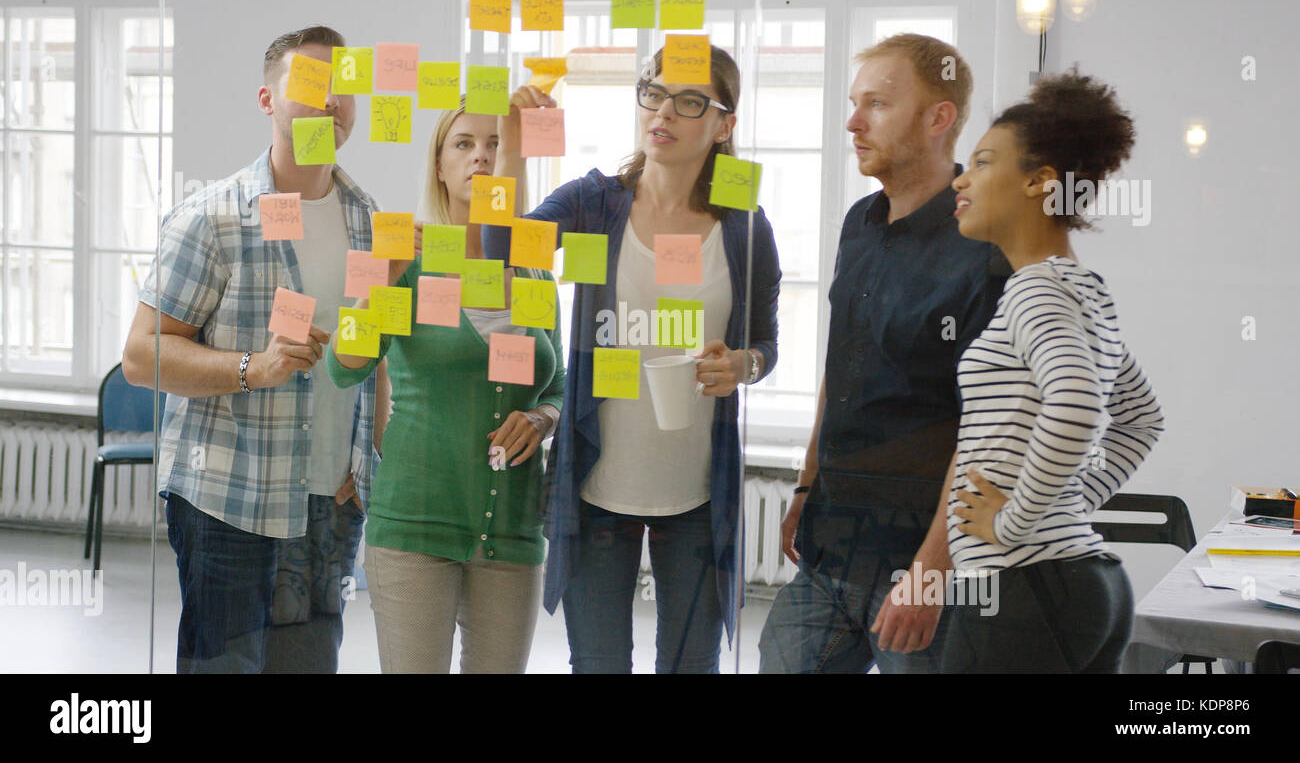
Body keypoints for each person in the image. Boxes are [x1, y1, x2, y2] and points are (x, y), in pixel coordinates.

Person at [482, 45, 780, 673]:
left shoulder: (744, 225)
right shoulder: (596, 203)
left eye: (689, 100)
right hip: (598, 488)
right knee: (597, 664)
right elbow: (500, 250)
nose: (663, 112)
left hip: (698, 494)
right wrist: (513, 148)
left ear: (724, 124)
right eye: (653, 92)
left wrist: (743, 366)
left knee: (690, 665)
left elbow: (765, 345)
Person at [122, 25, 378, 673]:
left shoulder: (369, 220)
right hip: (229, 497)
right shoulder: (211, 217)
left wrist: (364, 458)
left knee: (310, 665)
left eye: (343, 85)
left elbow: (370, 353)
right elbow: (141, 354)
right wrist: (252, 367)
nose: (331, 100)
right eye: (312, 82)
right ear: (268, 101)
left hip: (329, 502)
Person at [757, 34, 1009, 673]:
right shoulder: (858, 222)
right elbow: (839, 366)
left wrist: (930, 572)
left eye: (876, 104)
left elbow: (986, 431)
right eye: (853, 102)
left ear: (938, 117)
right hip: (830, 546)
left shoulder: (983, 244)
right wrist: (806, 485)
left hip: (924, 567)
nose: (853, 122)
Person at [327, 100, 564, 673]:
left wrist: (543, 418)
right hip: (415, 523)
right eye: (463, 144)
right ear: (439, 165)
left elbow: (558, 386)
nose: (481, 156)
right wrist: (379, 281)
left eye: (495, 145)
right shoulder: (405, 256)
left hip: (509, 529)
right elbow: (344, 365)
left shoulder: (535, 271)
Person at [940, 68, 1163, 672]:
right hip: (1084, 586)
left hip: (1021, 587)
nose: (961, 179)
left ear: (1040, 182)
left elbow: (1078, 406)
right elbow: (1142, 418)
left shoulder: (1037, 290)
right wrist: (1069, 501)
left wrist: (1013, 523)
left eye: (983, 163)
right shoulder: (1081, 290)